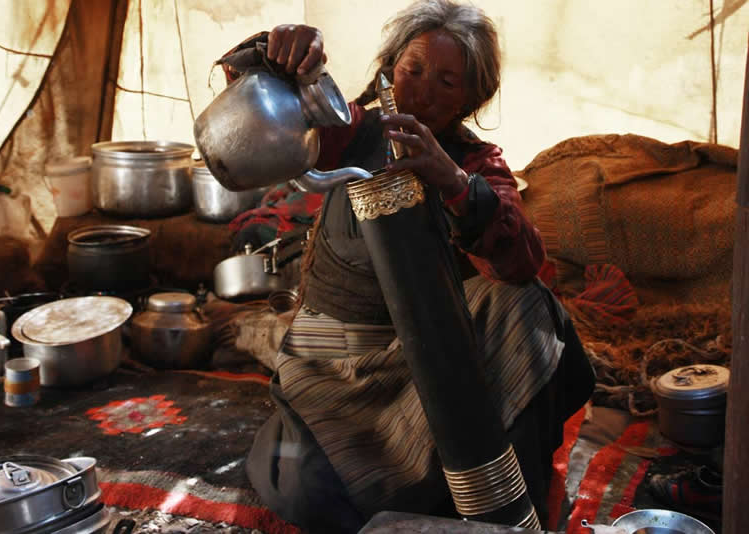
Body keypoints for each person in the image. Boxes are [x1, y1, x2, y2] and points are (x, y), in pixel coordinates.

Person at [222, 1, 596, 532]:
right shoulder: (348, 129)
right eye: (413, 69)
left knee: (524, 303)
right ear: (389, 67)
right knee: (311, 491)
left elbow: (522, 260)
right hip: (335, 370)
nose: (422, 92)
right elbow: (263, 114)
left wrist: (455, 183)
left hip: (430, 372)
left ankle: (504, 506)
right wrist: (278, 55)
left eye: (447, 82)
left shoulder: (475, 162)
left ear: (471, 98)